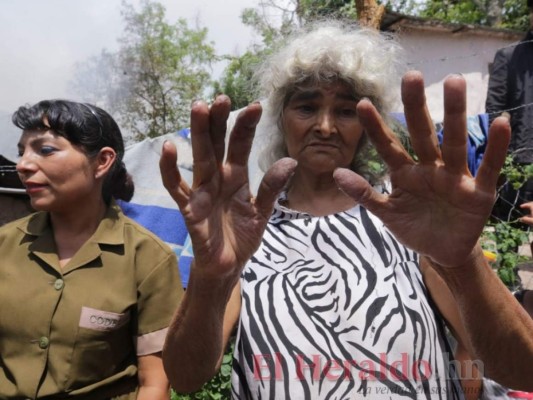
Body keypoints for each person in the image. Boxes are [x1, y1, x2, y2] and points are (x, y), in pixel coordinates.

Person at [161, 22, 533, 398]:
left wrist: (464, 264)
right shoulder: (247, 230)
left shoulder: (411, 221)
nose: (325, 126)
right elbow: (186, 376)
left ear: (369, 126)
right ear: (280, 118)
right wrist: (210, 278)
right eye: (307, 106)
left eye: (345, 111)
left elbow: (523, 369)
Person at [0, 100, 183, 399]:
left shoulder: (148, 258)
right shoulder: (4, 246)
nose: (23, 164)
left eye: (45, 150)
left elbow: (155, 383)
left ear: (102, 161)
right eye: (23, 152)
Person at [486, 0, 533, 222]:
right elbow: (495, 109)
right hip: (521, 160)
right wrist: (503, 156)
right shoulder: (509, 56)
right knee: (516, 228)